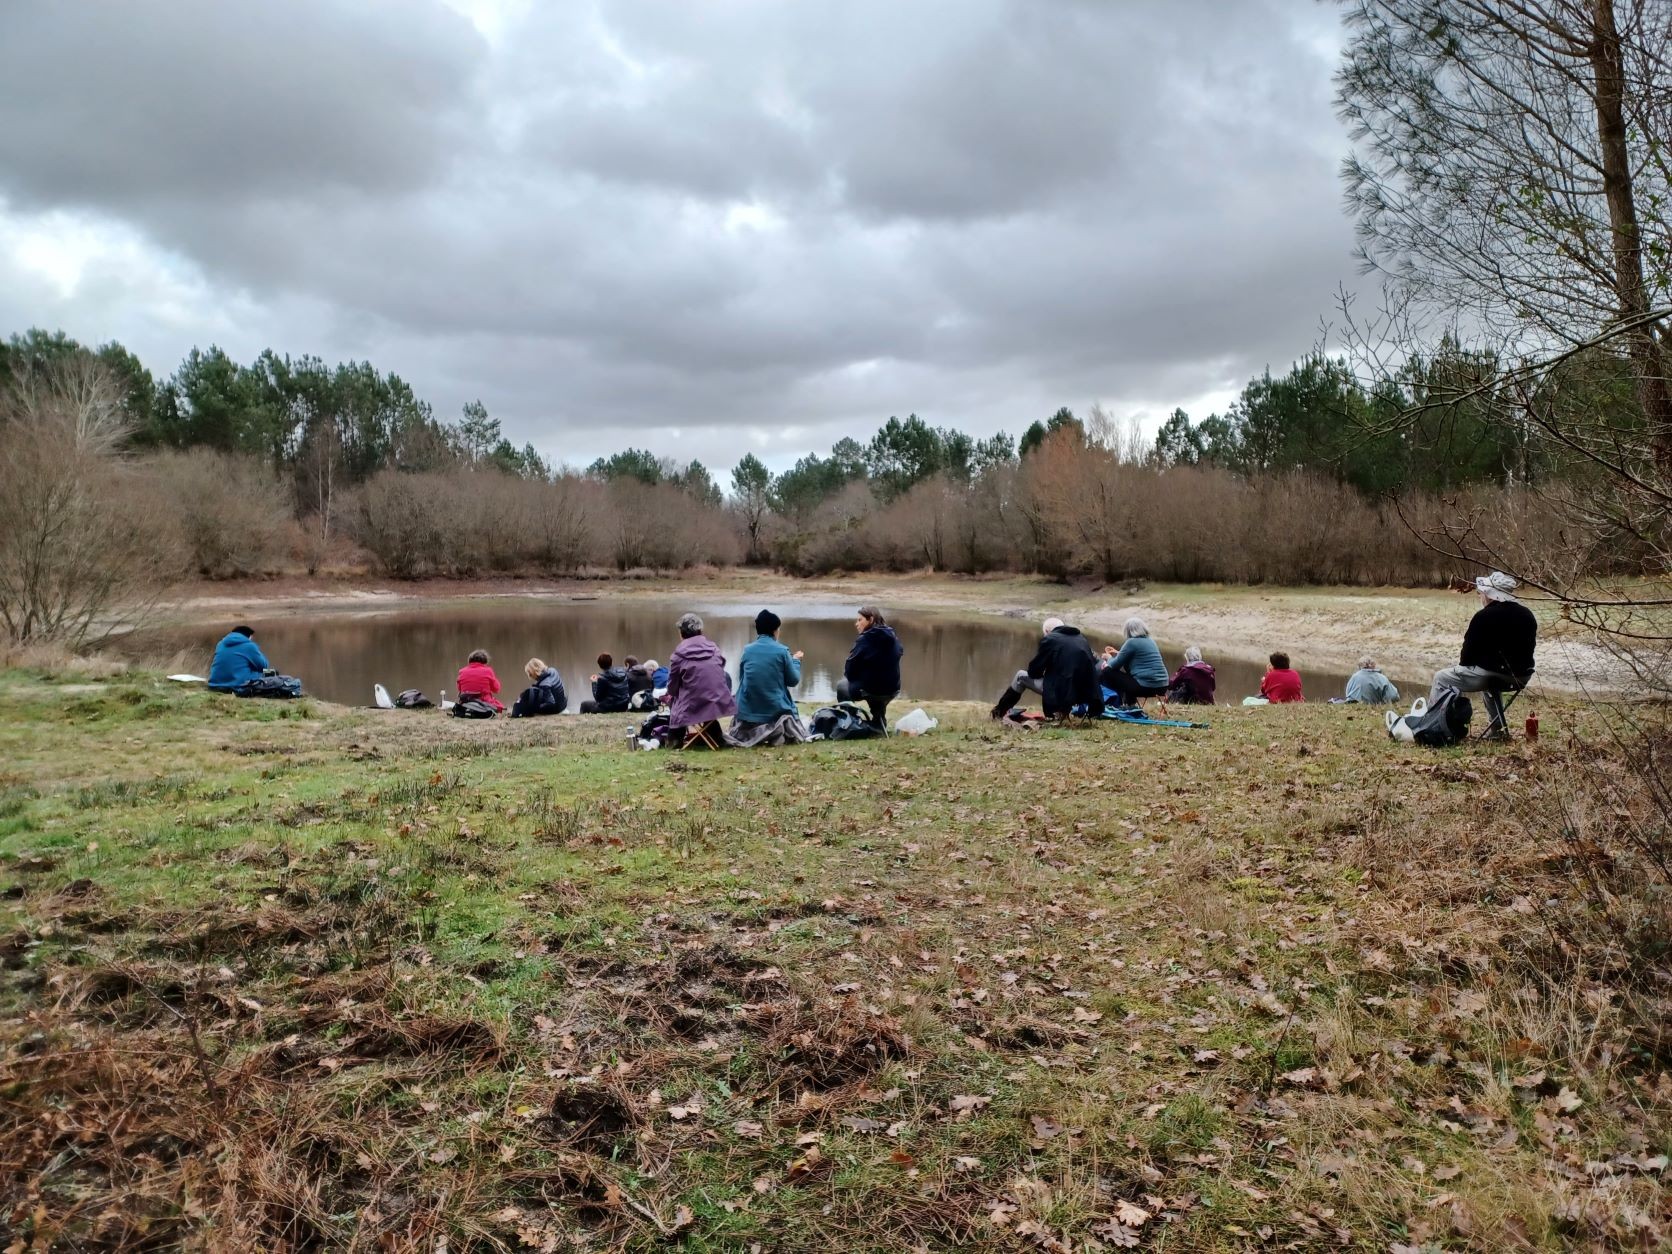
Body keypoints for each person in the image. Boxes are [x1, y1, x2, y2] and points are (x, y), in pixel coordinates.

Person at [1428, 572, 1537, 731]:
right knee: (1490, 680)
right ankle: (1497, 730)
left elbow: (1465, 659)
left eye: (1482, 593)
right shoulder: (1528, 614)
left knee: (1441, 677)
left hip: (1492, 676)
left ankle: (1435, 726)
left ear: (1490, 595)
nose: (1481, 596)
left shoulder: (1483, 616)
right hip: (1522, 677)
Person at [990, 616, 1103, 720]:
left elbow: (1034, 672)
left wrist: (1045, 672)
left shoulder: (1050, 640)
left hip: (1063, 694)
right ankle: (1061, 713)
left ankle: (998, 712)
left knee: (1020, 676)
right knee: (1061, 680)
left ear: (1048, 632)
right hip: (1086, 694)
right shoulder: (1081, 639)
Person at [728, 609, 810, 747]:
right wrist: (796, 660)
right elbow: (793, 680)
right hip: (774, 710)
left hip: (748, 712)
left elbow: (742, 678)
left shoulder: (747, 650)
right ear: (775, 631)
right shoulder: (782, 651)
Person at [665, 613, 736, 740]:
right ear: (700, 631)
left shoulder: (678, 655)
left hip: (692, 706)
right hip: (717, 701)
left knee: (675, 699)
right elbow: (720, 669)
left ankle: (675, 739)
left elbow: (672, 688)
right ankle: (715, 735)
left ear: (681, 634)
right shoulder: (715, 649)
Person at [837, 605, 903, 728]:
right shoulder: (893, 636)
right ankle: (879, 721)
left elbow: (850, 668)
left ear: (871, 620)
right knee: (875, 685)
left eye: (860, 620)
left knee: (842, 686)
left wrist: (855, 676)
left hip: (872, 690)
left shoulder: (865, 639)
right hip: (893, 689)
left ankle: (850, 722)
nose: (856, 624)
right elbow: (900, 652)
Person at [1099, 617, 1170, 707]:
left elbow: (1114, 665)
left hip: (1146, 687)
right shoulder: (1151, 641)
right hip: (1162, 687)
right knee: (1129, 676)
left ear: (1127, 631)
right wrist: (1120, 653)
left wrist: (1109, 657)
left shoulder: (1131, 642)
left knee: (1107, 671)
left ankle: (1115, 703)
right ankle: (1129, 704)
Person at [208, 624, 270, 693]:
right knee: (269, 672)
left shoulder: (220, 644)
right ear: (249, 636)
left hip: (215, 684)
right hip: (237, 685)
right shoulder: (249, 646)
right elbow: (264, 666)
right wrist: (257, 651)